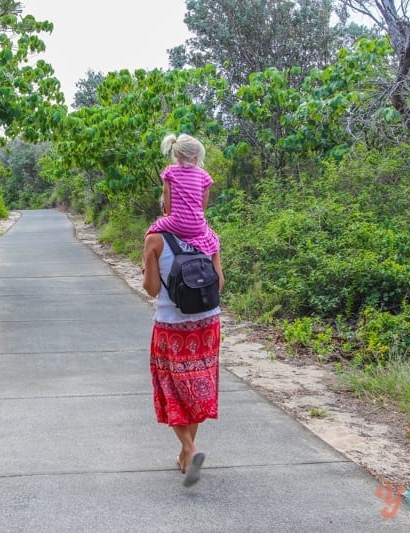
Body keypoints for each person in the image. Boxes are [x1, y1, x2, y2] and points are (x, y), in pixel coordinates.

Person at [142, 229, 225, 487]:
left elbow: (151, 289)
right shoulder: (208, 236)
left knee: (171, 390)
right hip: (207, 325)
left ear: (166, 207)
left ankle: (189, 448)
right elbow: (219, 282)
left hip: (171, 327)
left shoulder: (155, 240)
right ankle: (185, 457)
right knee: (198, 389)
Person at [146, 133, 220, 256]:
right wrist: (197, 217)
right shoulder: (203, 175)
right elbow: (204, 202)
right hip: (198, 226)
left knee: (150, 234)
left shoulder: (170, 171)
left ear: (175, 154)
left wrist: (168, 215)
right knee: (213, 239)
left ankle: (145, 266)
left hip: (176, 223)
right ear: (195, 157)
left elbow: (166, 194)